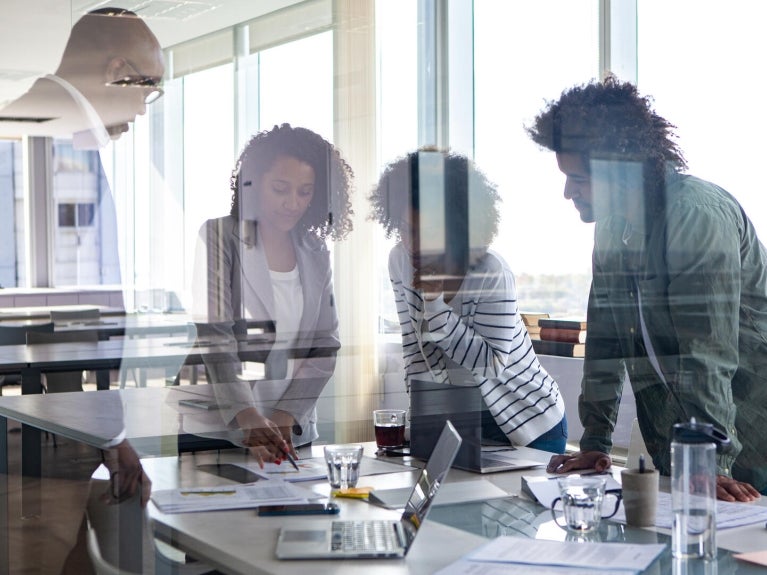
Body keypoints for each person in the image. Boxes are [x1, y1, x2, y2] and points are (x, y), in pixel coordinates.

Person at [527, 75, 767, 501]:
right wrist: (595, 444)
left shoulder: (695, 216)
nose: (568, 192)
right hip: (686, 450)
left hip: (751, 442)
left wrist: (708, 462)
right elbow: (603, 342)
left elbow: (705, 354)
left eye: (579, 178)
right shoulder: (612, 230)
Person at [0, 8, 163, 573]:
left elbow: (75, 318)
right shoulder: (31, 136)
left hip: (58, 442)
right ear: (118, 70)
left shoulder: (63, 139)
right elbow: (40, 319)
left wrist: (111, 438)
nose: (145, 109)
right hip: (26, 454)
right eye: (149, 89)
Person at [369, 149, 567, 453]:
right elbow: (415, 353)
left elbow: (492, 364)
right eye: (407, 230)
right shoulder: (400, 261)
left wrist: (434, 305)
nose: (415, 244)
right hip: (462, 423)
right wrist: (423, 425)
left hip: (529, 424)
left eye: (429, 231)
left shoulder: (491, 271)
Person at [193, 124, 354, 465]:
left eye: (305, 192)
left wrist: (286, 414)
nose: (292, 203)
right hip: (230, 432)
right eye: (281, 188)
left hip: (291, 434)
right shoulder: (220, 236)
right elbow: (216, 336)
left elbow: (325, 345)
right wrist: (247, 416)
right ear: (253, 183)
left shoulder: (315, 249)